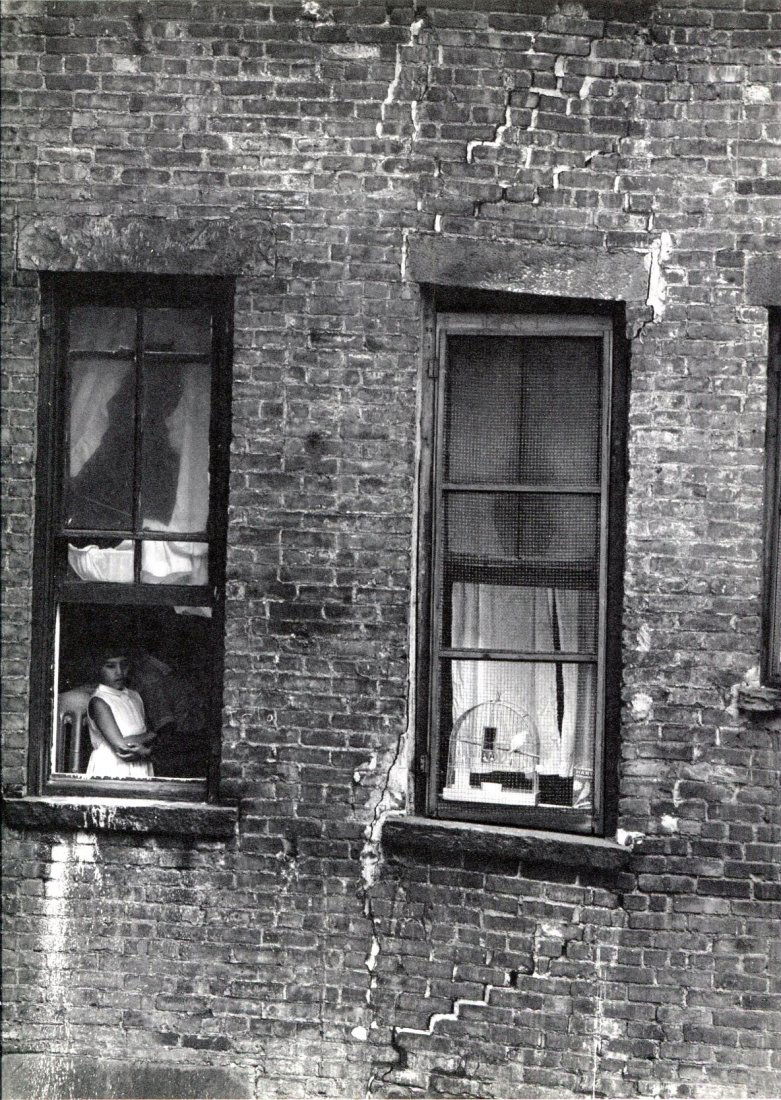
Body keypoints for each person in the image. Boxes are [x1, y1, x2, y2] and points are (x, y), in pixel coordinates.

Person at [85, 645, 155, 779]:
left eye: (123, 665)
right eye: (111, 666)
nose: (119, 672)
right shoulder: (99, 700)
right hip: (112, 767)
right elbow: (122, 748)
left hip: (140, 764)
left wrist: (145, 740)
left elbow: (142, 733)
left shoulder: (135, 695)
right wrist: (151, 737)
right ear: (98, 669)